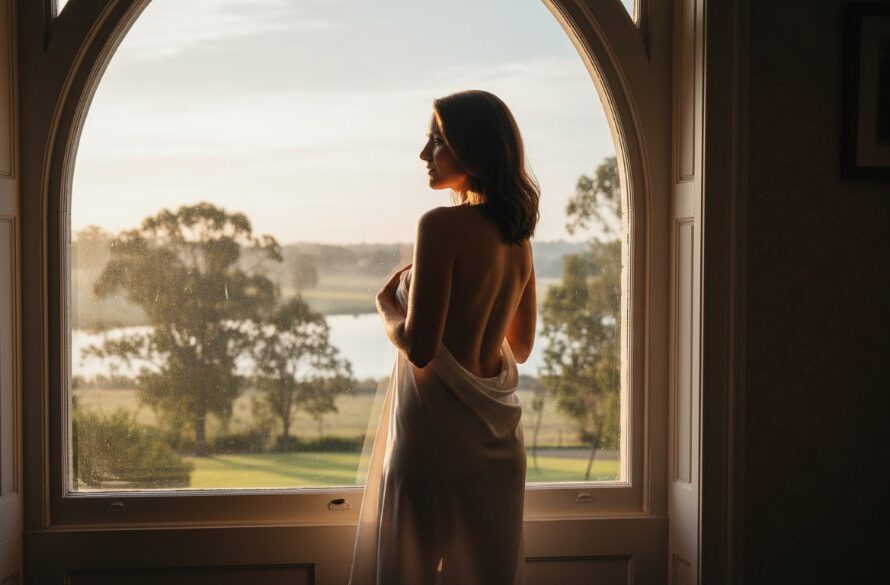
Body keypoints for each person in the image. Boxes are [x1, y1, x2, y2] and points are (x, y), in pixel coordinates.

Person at [348, 90, 539, 585]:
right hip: (497, 443)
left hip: (434, 439)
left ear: (474, 149)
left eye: (438, 141)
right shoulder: (518, 239)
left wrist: (387, 307)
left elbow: (421, 347)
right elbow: (519, 347)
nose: (424, 154)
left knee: (409, 570)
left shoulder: (439, 225)